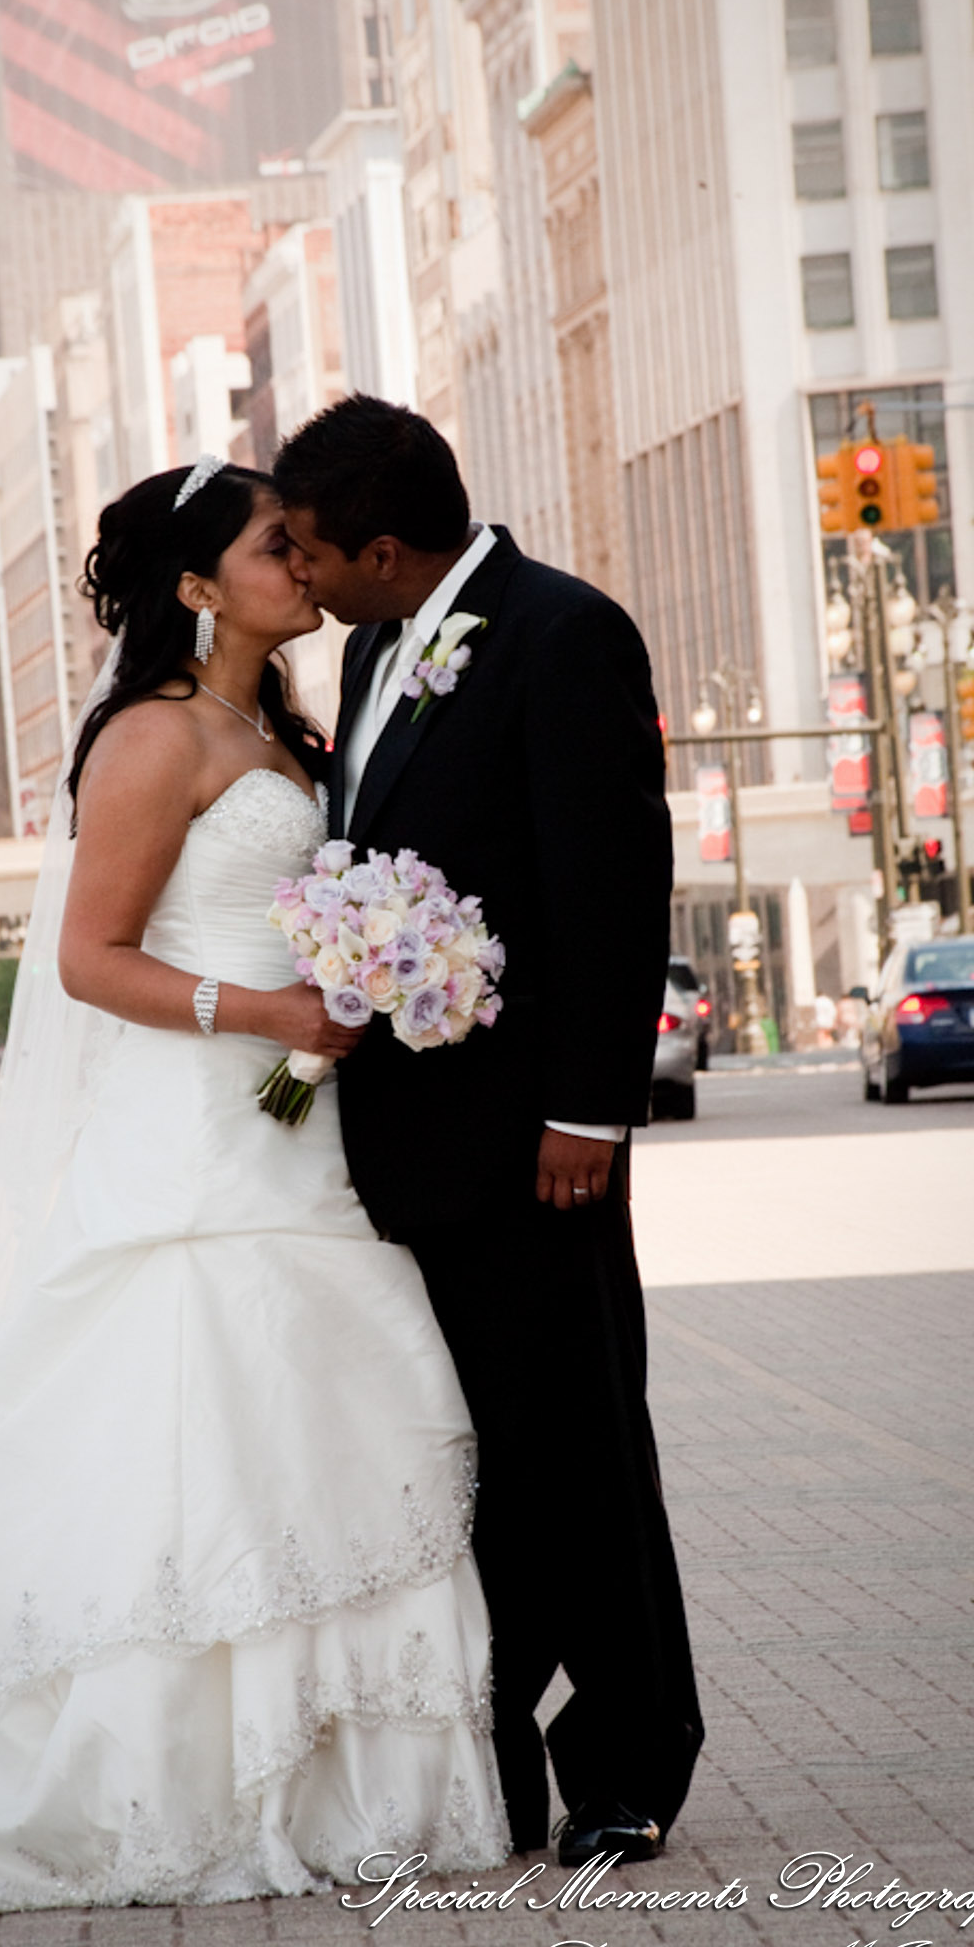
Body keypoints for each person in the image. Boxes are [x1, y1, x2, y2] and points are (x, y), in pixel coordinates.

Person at [0, 459, 509, 1914]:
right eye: (280, 545)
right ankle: (184, 1787)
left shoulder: (283, 729)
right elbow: (89, 959)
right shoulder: (151, 737)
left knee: (319, 1423)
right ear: (201, 583)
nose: (306, 565)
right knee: (199, 1434)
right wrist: (267, 1016)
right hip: (200, 1134)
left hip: (301, 1134)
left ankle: (343, 1781)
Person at [276, 396, 704, 1867]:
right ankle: (501, 1753)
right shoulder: (373, 642)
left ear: (387, 546)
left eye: (314, 549)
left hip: (540, 1144)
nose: (301, 573)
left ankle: (632, 1760)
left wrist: (589, 1107)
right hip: (413, 1147)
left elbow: (611, 889)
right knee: (483, 1460)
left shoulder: (564, 633)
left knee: (581, 1449)